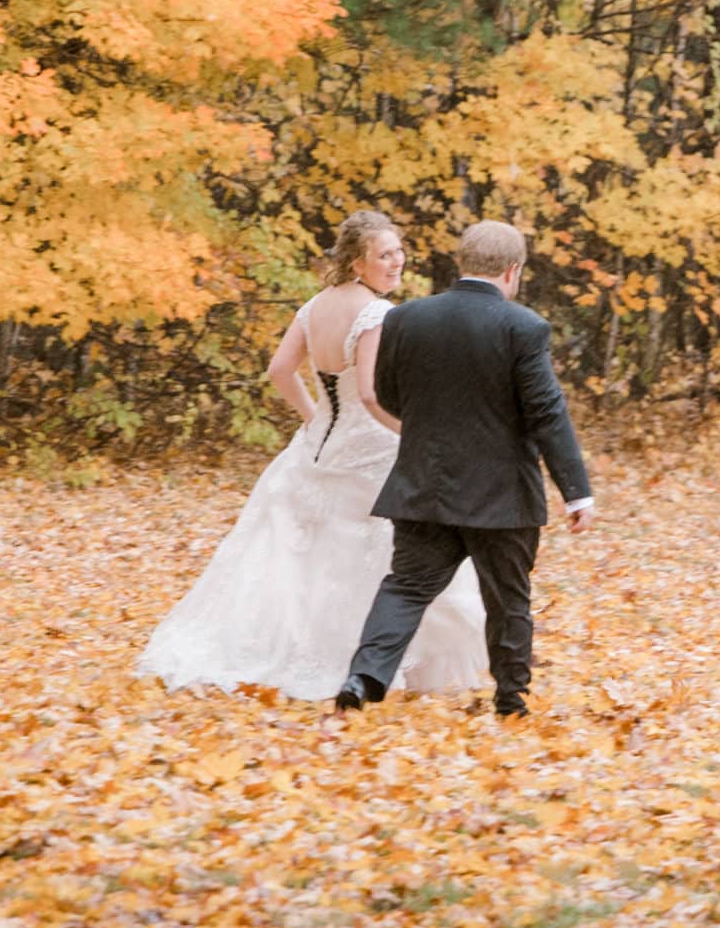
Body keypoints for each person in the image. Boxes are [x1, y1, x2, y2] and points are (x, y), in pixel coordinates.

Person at [136, 212, 490, 700]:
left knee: (309, 558)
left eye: (399, 250)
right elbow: (369, 394)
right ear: (357, 261)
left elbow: (281, 370)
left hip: (318, 447)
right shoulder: (376, 314)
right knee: (399, 554)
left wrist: (312, 418)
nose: (397, 261)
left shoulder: (314, 307)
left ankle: (329, 654)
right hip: (369, 449)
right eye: (384, 254)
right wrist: (412, 435)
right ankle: (379, 663)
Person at [337, 220, 594, 719]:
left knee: (406, 587)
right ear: (512, 270)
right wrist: (576, 492)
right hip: (502, 497)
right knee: (507, 600)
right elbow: (546, 412)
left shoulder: (407, 318)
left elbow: (389, 396)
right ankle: (511, 699)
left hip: (424, 484)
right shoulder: (523, 327)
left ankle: (363, 676)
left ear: (464, 264)